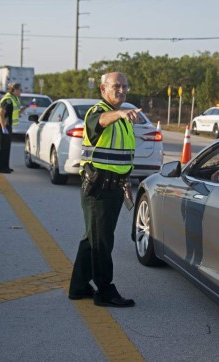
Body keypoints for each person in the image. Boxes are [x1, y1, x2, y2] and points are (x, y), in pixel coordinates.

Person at [69, 72, 141, 308]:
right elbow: (99, 121)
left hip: (114, 187)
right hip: (98, 189)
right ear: (103, 89)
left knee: (94, 237)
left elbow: (119, 156)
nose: (121, 90)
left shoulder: (121, 118)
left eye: (125, 87)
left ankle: (79, 286)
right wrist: (118, 112)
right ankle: (105, 290)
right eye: (116, 86)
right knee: (102, 242)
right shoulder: (99, 112)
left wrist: (126, 180)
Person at [0, 82, 24, 173]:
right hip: (2, 124)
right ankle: (0, 168)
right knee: (3, 147)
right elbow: (1, 114)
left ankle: (6, 166)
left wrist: (25, 108)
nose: (20, 92)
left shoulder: (15, 99)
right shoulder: (8, 99)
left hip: (8, 125)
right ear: (14, 90)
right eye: (19, 90)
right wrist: (3, 128)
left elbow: (16, 113)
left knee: (7, 147)